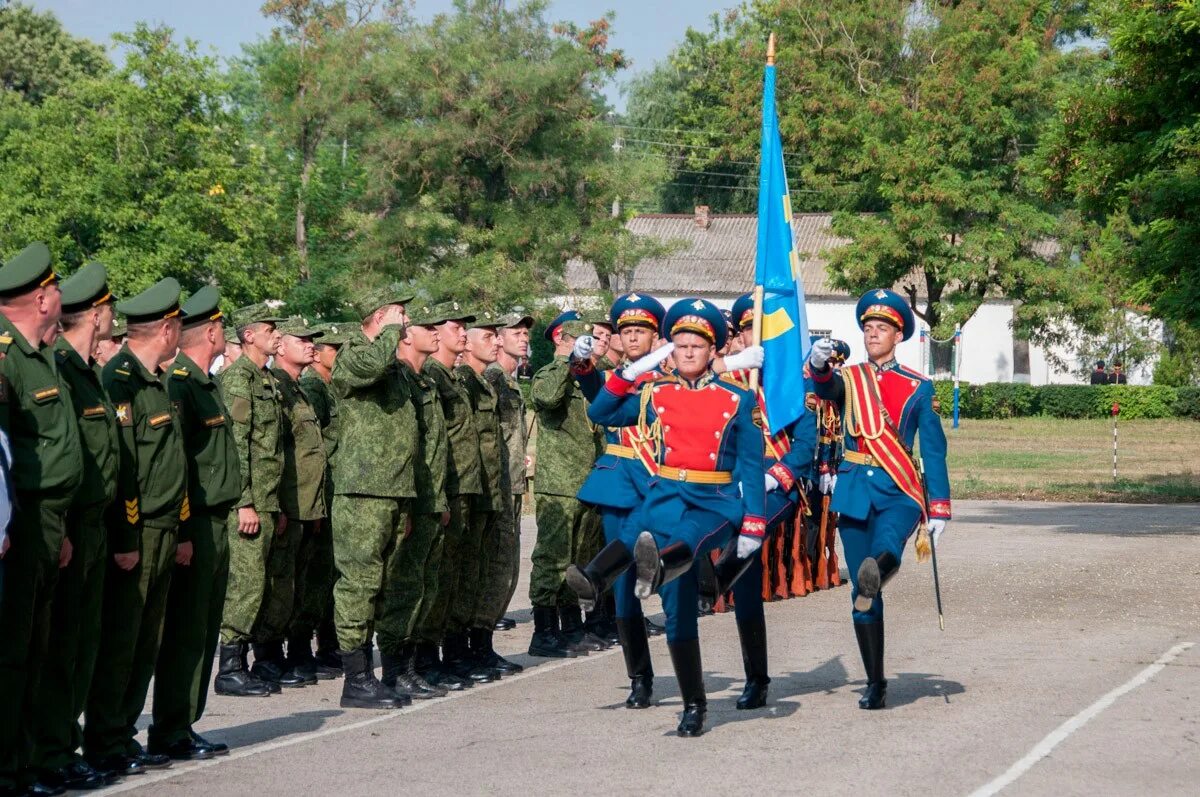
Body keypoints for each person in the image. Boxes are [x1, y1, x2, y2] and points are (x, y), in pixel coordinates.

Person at [587, 298, 766, 737]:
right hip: (665, 490)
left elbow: (753, 464)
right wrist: (629, 373)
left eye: (697, 346)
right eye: (680, 345)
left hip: (713, 499)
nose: (687, 352)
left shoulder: (737, 399)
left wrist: (754, 525)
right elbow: (600, 412)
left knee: (684, 540)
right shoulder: (655, 393)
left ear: (713, 353)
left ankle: (693, 706)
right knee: (676, 607)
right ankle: (595, 578)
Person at [808, 288, 951, 710]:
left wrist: (939, 507)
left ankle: (880, 568)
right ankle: (875, 681)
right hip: (854, 489)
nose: (872, 334)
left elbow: (934, 449)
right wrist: (817, 366)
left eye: (881, 328)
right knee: (862, 595)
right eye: (868, 327)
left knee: (887, 546)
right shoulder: (850, 378)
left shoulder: (919, 388)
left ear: (898, 335)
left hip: (899, 490)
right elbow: (827, 387)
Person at [85, 277, 187, 776]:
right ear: (166, 329)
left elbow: (171, 462)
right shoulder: (121, 380)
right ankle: (105, 738)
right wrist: (127, 536)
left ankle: (122, 734)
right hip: (139, 527)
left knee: (146, 640)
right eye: (179, 325)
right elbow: (123, 467)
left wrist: (181, 525)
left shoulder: (155, 379)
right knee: (122, 640)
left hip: (165, 524)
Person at [0, 243, 85, 797]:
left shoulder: (40, 354)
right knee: (13, 650)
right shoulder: (7, 355)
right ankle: (9, 769)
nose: (61, 298)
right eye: (55, 289)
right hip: (21, 520)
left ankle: (27, 759)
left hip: (50, 519)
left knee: (37, 647)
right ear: (40, 297)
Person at [31, 263, 120, 791]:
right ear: (96, 314)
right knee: (58, 646)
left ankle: (64, 744)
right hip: (67, 523)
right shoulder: (61, 364)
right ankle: (51, 748)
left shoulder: (84, 370)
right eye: (110, 308)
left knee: (81, 645)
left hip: (93, 523)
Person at [149, 286, 244, 760]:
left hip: (216, 521)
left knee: (203, 629)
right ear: (210, 331)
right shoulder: (182, 384)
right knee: (187, 630)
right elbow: (176, 464)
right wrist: (184, 531)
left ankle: (183, 723)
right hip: (197, 524)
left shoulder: (205, 382)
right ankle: (171, 727)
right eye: (223, 325)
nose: (225, 332)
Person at [712, 292, 817, 711]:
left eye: (768, 331)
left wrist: (778, 476)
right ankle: (754, 676)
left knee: (744, 549)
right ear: (739, 337)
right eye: (751, 330)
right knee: (747, 585)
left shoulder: (794, 383)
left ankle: (755, 676)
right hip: (728, 484)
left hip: (776, 487)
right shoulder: (727, 381)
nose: (760, 340)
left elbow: (807, 441)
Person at [567, 292, 666, 707]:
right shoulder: (612, 378)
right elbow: (597, 396)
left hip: (661, 484)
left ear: (656, 335)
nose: (631, 338)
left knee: (668, 580)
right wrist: (580, 363)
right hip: (619, 486)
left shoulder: (671, 379)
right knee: (625, 588)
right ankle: (639, 677)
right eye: (625, 332)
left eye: (640, 331)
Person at [328, 285, 419, 709]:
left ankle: (382, 672)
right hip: (362, 489)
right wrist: (388, 332)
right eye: (400, 313)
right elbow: (370, 368)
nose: (407, 322)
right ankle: (356, 679)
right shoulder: (353, 354)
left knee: (386, 584)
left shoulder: (394, 364)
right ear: (379, 318)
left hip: (396, 488)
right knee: (359, 584)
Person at [216, 304, 295, 695]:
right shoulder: (238, 380)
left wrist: (273, 503)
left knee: (263, 584)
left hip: (268, 500)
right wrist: (244, 501)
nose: (276, 335)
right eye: (269, 329)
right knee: (245, 584)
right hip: (249, 502)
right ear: (249, 335)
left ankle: (255, 662)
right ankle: (230, 667)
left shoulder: (266, 379)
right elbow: (237, 445)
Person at [416, 303, 489, 688]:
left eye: (464, 329)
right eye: (455, 328)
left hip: (467, 486)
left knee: (457, 575)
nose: (463, 335)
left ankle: (451, 651)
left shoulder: (452, 377)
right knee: (438, 576)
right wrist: (440, 494)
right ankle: (426, 656)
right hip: (448, 487)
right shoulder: (432, 375)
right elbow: (435, 442)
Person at [527, 311, 604, 658]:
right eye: (578, 340)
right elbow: (544, 399)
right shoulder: (550, 374)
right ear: (561, 339)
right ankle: (544, 631)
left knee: (577, 560)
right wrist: (567, 363)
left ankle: (571, 627)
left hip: (587, 480)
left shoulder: (589, 379)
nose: (586, 348)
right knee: (552, 559)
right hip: (558, 483)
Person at [389, 303, 453, 699]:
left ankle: (410, 665)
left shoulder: (425, 382)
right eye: (427, 326)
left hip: (432, 498)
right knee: (403, 586)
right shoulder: (399, 380)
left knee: (423, 586)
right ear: (406, 335)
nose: (436, 331)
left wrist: (439, 499)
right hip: (411, 499)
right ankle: (395, 668)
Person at [456, 312, 523, 677]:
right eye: (489, 336)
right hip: (475, 490)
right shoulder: (464, 382)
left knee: (493, 571)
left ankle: (479, 645)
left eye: (500, 336)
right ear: (465, 341)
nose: (498, 342)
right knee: (472, 573)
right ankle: (459, 651)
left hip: (496, 487)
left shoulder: (485, 381)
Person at [272, 319, 329, 687]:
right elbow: (271, 451)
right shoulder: (275, 386)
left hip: (307, 502)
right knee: (280, 582)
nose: (311, 345)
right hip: (287, 503)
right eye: (302, 340)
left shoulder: (298, 389)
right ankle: (268, 656)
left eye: (312, 340)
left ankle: (296, 650)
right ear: (280, 346)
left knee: (304, 581)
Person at [300, 323, 347, 678]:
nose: (341, 353)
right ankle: (311, 645)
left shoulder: (333, 387)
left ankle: (330, 644)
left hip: (335, 489)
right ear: (318, 352)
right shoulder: (312, 388)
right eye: (334, 348)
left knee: (331, 573)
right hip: (320, 491)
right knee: (315, 575)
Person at [483, 312, 533, 634]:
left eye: (526, 333)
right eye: (516, 332)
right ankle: (484, 619)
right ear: (499, 338)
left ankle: (493, 613)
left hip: (512, 480)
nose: (524, 337)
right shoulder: (492, 378)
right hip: (496, 483)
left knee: (508, 556)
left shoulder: (510, 381)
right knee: (495, 558)